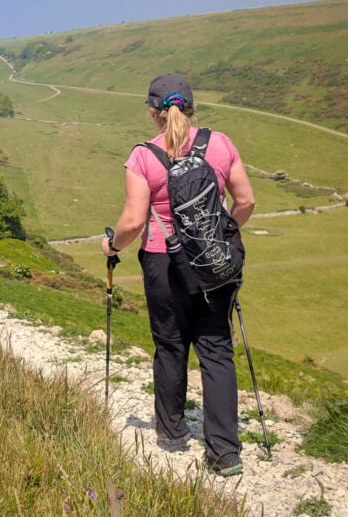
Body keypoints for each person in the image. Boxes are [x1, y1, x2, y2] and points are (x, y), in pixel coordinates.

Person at [101, 73, 255, 477]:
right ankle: (225, 453)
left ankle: (171, 432)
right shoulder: (220, 144)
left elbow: (134, 221)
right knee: (217, 349)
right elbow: (246, 200)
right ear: (191, 107)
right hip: (213, 263)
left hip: (163, 262)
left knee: (170, 346)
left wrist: (112, 246)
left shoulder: (143, 156)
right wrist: (224, 236)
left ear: (153, 112)